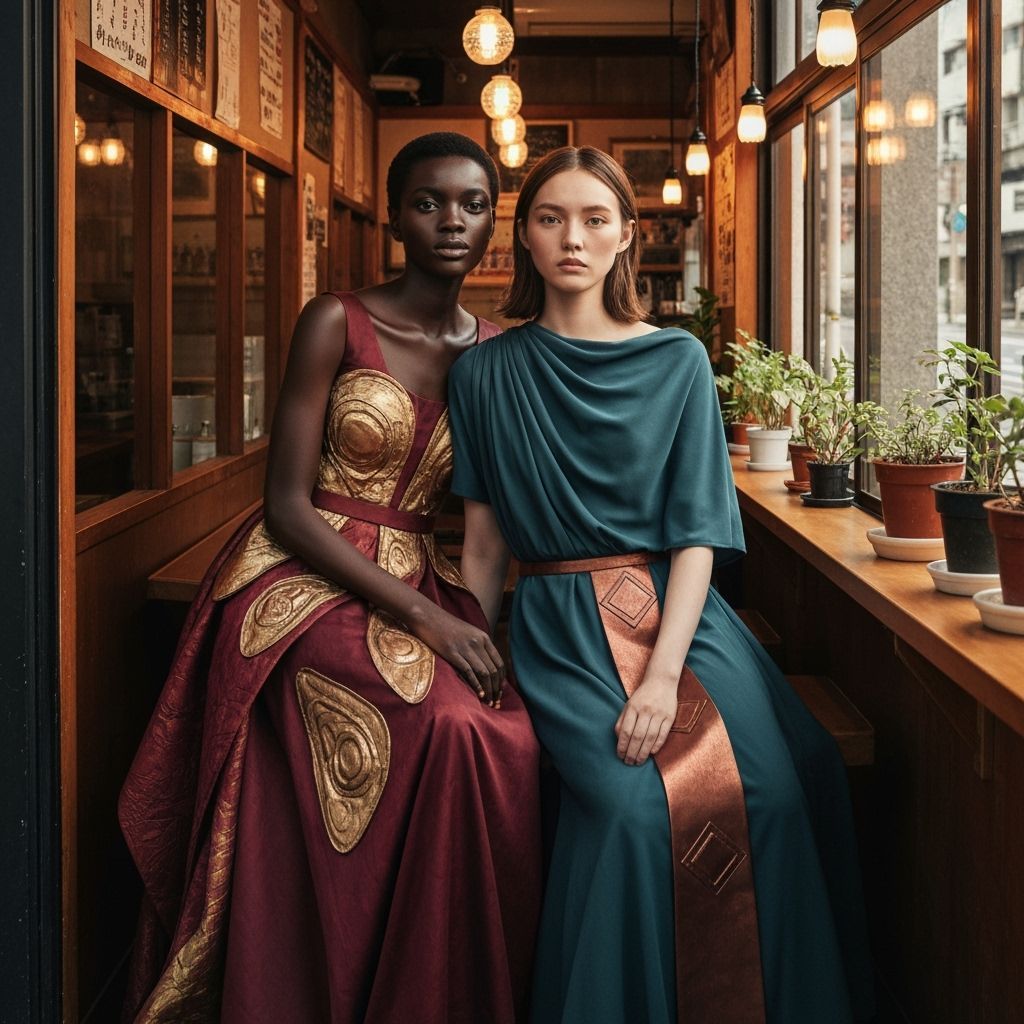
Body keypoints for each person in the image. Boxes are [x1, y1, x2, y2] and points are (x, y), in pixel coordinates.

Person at [119, 132, 541, 1024]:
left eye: (471, 202)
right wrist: (436, 628)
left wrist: (478, 623)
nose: (451, 220)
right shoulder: (335, 320)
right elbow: (285, 504)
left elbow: (493, 520)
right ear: (394, 216)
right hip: (304, 571)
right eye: (429, 202)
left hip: (426, 573)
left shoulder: (502, 349)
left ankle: (435, 985)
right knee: (441, 720)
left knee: (503, 736)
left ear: (492, 216)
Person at [448, 146, 875, 1024]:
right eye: (551, 218)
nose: (574, 237)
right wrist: (467, 647)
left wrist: (662, 677)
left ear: (626, 238)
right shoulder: (484, 373)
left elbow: (695, 539)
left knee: (777, 792)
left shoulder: (678, 359)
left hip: (684, 625)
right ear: (523, 238)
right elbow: (486, 546)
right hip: (559, 627)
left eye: (595, 218)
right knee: (626, 813)